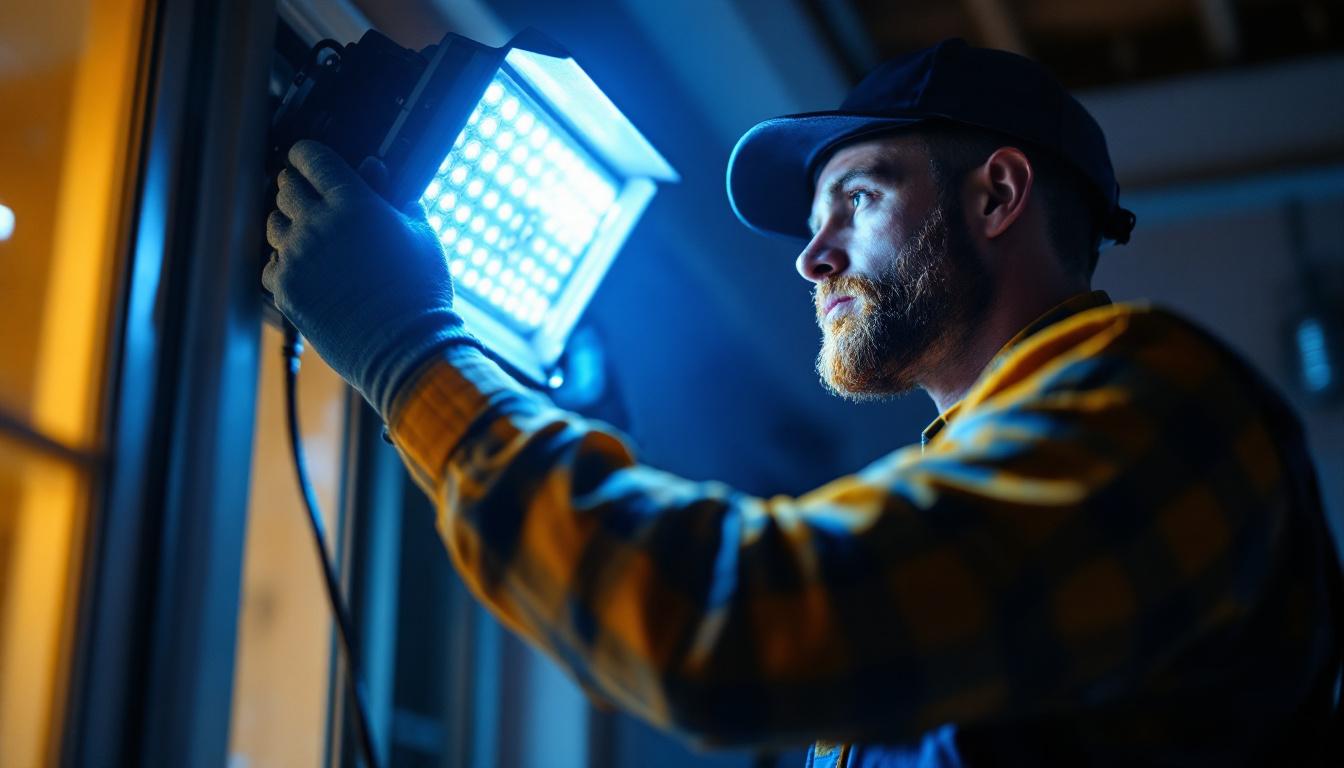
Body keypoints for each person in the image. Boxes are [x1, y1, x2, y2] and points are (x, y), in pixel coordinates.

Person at [263, 39, 1342, 766]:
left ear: (999, 195)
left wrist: (410, 355)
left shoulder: (1156, 405)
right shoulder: (996, 488)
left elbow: (726, 629)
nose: (810, 258)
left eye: (858, 197)